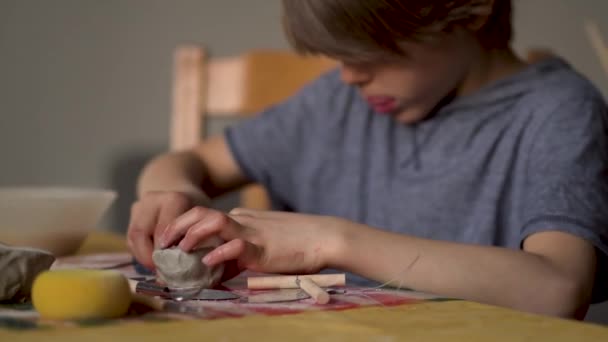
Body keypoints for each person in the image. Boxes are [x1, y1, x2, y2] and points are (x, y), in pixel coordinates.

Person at [127, 0, 608, 319]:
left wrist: (331, 240)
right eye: (340, 56)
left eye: (373, 52)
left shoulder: (558, 111)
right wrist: (174, 195)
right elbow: (184, 163)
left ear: (472, 9)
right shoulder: (337, 103)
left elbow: (558, 289)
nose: (351, 76)